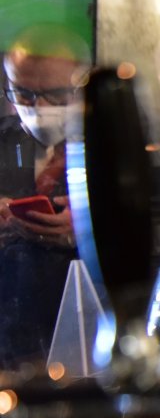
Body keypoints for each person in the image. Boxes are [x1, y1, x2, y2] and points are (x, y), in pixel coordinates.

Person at [0, 25, 88, 370]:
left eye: (55, 94)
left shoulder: (119, 142)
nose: (39, 107)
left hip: (93, 332)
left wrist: (90, 225)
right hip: (11, 339)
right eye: (22, 93)